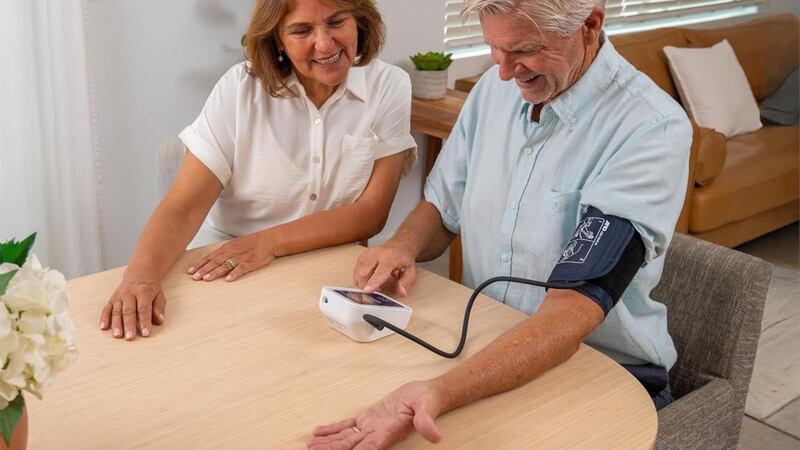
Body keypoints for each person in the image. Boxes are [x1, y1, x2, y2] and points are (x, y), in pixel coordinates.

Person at [308, 0, 692, 448]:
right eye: (494, 49)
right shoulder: (493, 90)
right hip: (488, 346)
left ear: (590, 25)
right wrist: (402, 247)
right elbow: (442, 207)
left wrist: (441, 391)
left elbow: (573, 312)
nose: (506, 73)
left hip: (603, 370)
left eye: (525, 50)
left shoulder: (651, 128)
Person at [98, 0, 416, 341]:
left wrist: (270, 242)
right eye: (302, 30)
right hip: (227, 268)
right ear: (277, 38)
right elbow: (183, 206)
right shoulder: (239, 89)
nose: (324, 44)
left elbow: (371, 214)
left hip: (327, 272)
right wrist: (140, 278)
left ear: (359, 21)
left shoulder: (389, 86)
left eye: (337, 22)